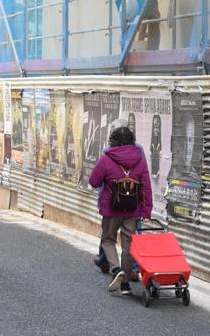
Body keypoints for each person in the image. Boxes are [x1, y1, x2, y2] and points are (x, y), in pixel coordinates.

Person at [88, 126, 153, 295]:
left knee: (108, 240)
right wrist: (146, 211)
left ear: (112, 141)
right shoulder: (139, 158)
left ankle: (116, 270)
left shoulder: (106, 158)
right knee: (128, 245)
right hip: (132, 210)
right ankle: (125, 285)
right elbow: (146, 186)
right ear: (132, 140)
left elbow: (94, 181)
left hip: (111, 209)